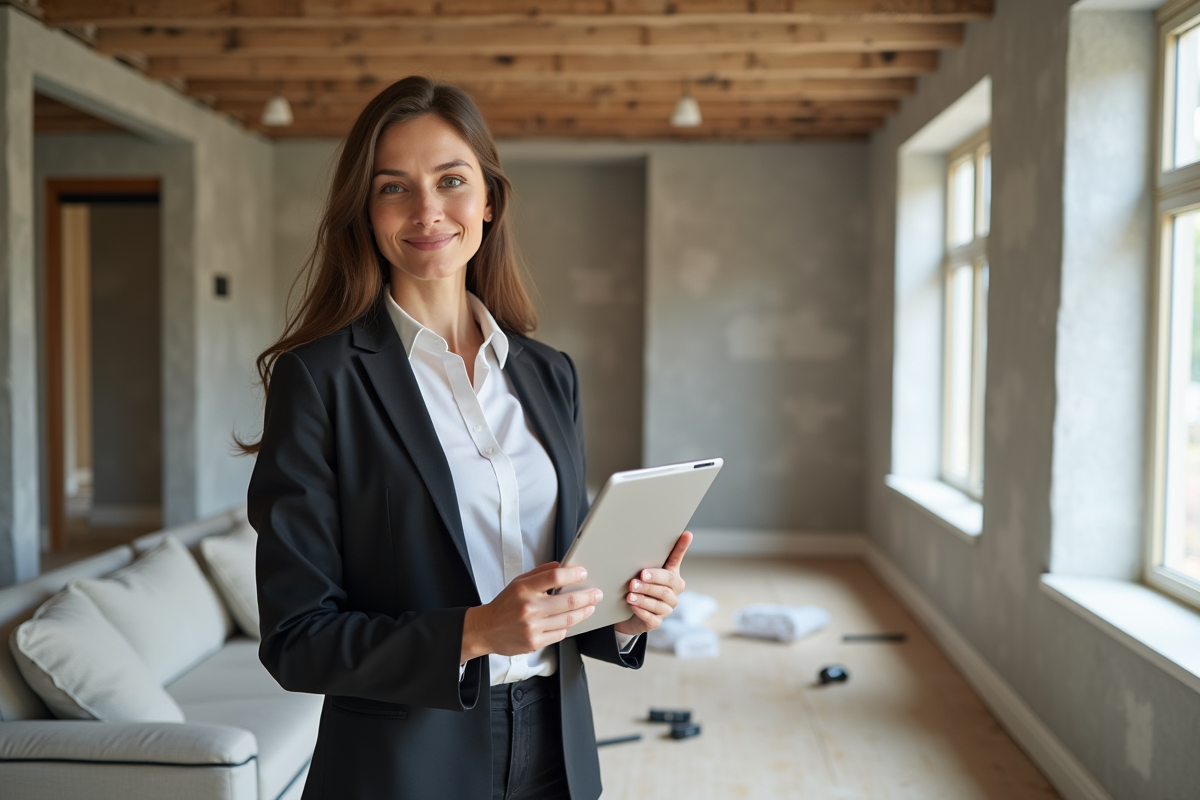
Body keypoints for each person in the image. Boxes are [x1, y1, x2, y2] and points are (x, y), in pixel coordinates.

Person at [241, 76, 692, 800]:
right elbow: (296, 640)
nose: (427, 211)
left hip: (558, 747)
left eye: (451, 180)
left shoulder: (550, 374)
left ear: (489, 200)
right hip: (402, 765)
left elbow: (566, 572)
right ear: (366, 211)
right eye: (394, 187)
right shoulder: (319, 381)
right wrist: (474, 634)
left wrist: (629, 613)